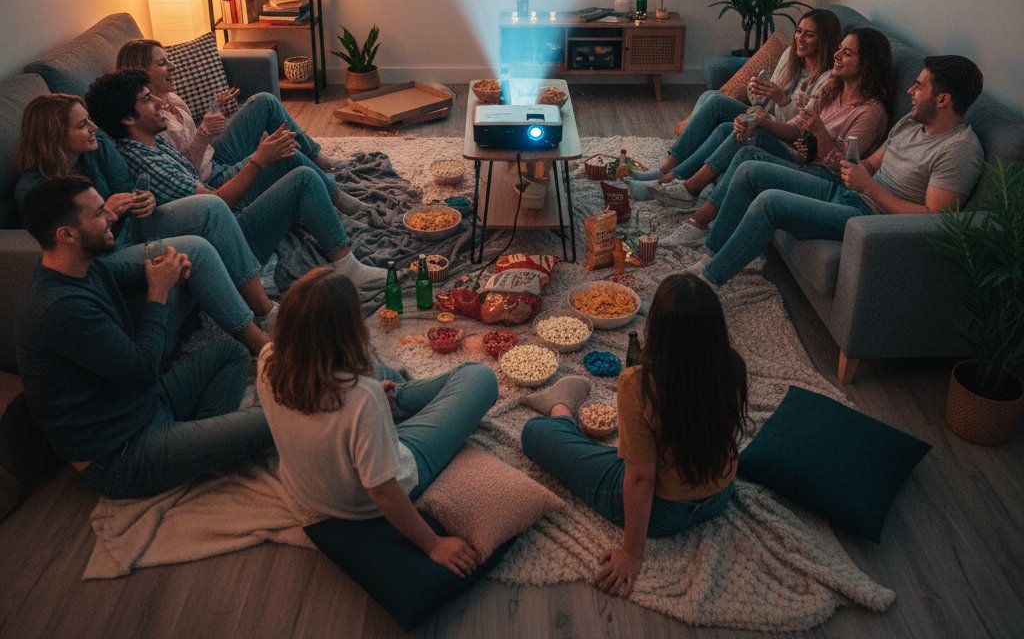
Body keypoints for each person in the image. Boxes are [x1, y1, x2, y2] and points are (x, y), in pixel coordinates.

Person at [16, 177, 273, 498]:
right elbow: (142, 369)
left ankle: (201, 448)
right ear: (66, 235)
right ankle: (201, 450)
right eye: (99, 213)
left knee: (232, 352)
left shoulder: (83, 268)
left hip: (146, 405)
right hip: (121, 455)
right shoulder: (60, 308)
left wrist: (172, 264)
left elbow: (131, 273)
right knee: (273, 424)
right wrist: (158, 292)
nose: (111, 216)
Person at [257, 267, 498, 576]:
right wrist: (433, 545)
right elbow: (383, 492)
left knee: (383, 377)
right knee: (478, 377)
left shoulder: (267, 358)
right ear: (348, 330)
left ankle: (398, 400)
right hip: (361, 504)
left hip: (304, 487)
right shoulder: (362, 398)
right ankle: (402, 403)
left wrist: (373, 402)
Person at [521, 274, 747, 597]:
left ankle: (560, 409)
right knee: (621, 455)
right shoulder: (734, 367)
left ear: (657, 330)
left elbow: (641, 478)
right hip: (721, 494)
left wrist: (632, 553)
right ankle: (565, 416)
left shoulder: (639, 384)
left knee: (534, 434)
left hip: (665, 511)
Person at [685, 55, 985, 290]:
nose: (910, 90)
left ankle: (706, 283)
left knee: (770, 203)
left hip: (870, 219)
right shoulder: (912, 122)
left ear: (943, 99)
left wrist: (868, 188)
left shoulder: (958, 150)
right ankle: (709, 256)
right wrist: (840, 162)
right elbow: (871, 164)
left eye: (920, 86)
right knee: (750, 170)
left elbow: (935, 220)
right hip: (847, 191)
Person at [85, 71, 387, 298]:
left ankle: (342, 205)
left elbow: (195, 176)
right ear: (127, 118)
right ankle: (347, 265)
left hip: (224, 215)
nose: (159, 103)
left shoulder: (154, 144)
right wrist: (257, 161)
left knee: (286, 156)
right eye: (148, 100)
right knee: (301, 178)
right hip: (230, 244)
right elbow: (217, 203)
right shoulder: (146, 161)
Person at [16, 93, 273, 354]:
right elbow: (65, 248)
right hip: (102, 253)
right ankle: (259, 345)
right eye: (82, 125)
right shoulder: (35, 191)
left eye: (89, 120)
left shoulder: (98, 148)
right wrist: (107, 211)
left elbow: (127, 188)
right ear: (55, 137)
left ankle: (265, 310)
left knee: (212, 207)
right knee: (197, 249)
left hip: (133, 224)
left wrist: (146, 199)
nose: (94, 128)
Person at [654, 26, 894, 238]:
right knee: (740, 129)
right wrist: (758, 122)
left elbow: (843, 169)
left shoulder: (871, 112)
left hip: (823, 177)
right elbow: (794, 128)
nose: (837, 56)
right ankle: (687, 189)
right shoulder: (832, 89)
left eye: (847, 53)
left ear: (867, 64)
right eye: (839, 49)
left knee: (749, 155)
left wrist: (819, 133)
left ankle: (697, 217)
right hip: (803, 158)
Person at [114, 38, 367, 217]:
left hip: (215, 156)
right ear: (141, 73)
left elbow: (196, 135)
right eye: (162, 64)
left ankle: (320, 159)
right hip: (210, 179)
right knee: (284, 154)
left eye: (168, 60)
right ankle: (336, 196)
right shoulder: (150, 124)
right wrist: (204, 131)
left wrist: (216, 110)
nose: (172, 67)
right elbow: (185, 171)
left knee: (264, 101)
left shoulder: (172, 98)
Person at [632, 10, 841, 195]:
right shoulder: (790, 55)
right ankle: (664, 169)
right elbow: (763, 103)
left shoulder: (827, 79)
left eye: (809, 34)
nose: (800, 39)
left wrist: (782, 100)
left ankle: (670, 180)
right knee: (715, 100)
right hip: (765, 118)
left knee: (726, 127)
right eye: (799, 31)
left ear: (825, 40)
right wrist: (756, 92)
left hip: (784, 138)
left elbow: (801, 129)